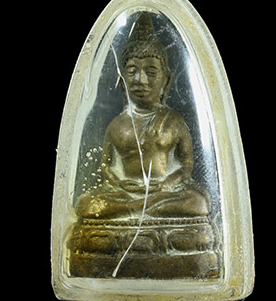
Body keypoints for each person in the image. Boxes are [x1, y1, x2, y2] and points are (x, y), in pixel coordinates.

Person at [75, 12, 210, 221]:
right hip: (125, 193)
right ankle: (141, 208)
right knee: (86, 203)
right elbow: (105, 166)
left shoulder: (174, 121)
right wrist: (119, 183)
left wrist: (168, 183)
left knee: (198, 202)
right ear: (122, 80)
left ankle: (134, 210)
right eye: (132, 71)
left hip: (163, 192)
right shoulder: (117, 124)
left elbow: (186, 165)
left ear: (166, 80)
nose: (141, 80)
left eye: (151, 72)